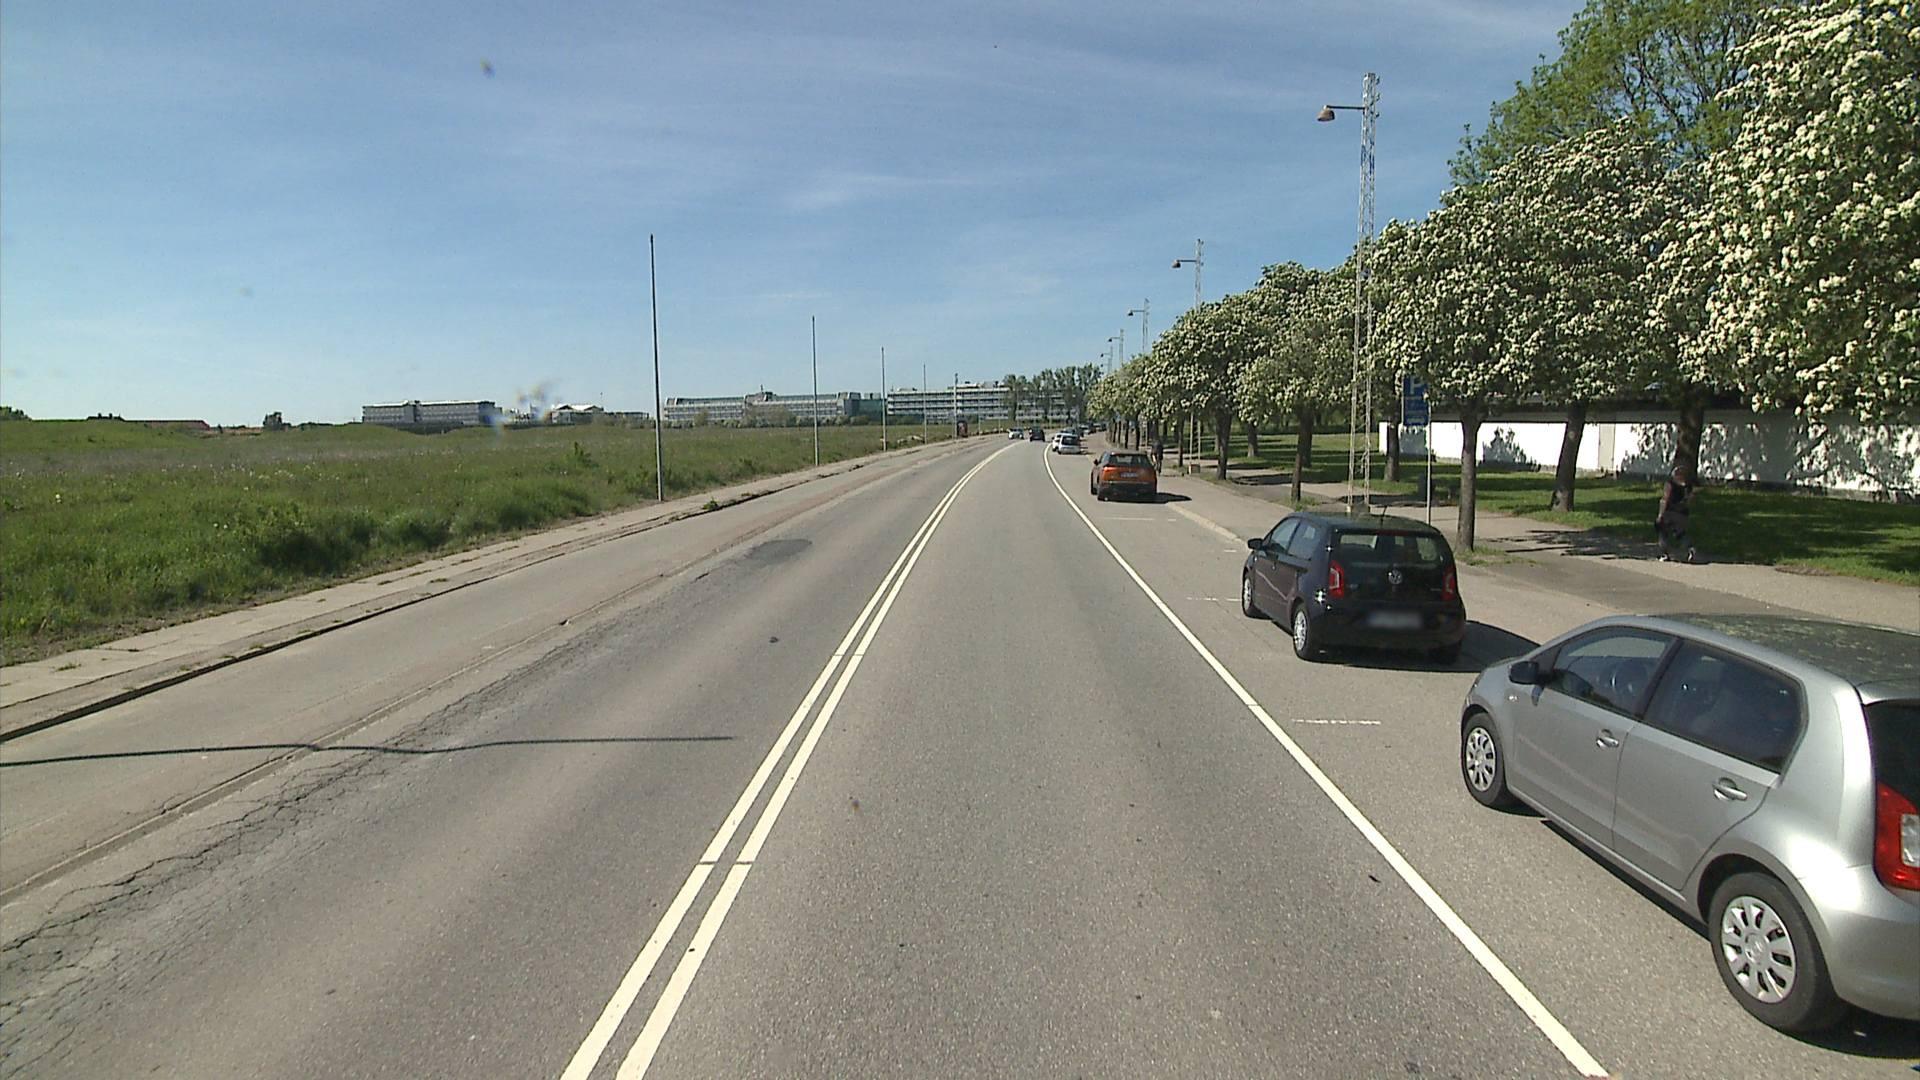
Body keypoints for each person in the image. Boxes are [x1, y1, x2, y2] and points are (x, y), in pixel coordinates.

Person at [1656, 464, 1697, 563]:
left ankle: (1664, 554)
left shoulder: (1670, 484)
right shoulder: (1688, 486)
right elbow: (1690, 500)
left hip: (1670, 512)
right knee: (1680, 533)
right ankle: (1690, 548)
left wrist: (1660, 514)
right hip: (1682, 513)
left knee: (1663, 532)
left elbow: (1665, 499)